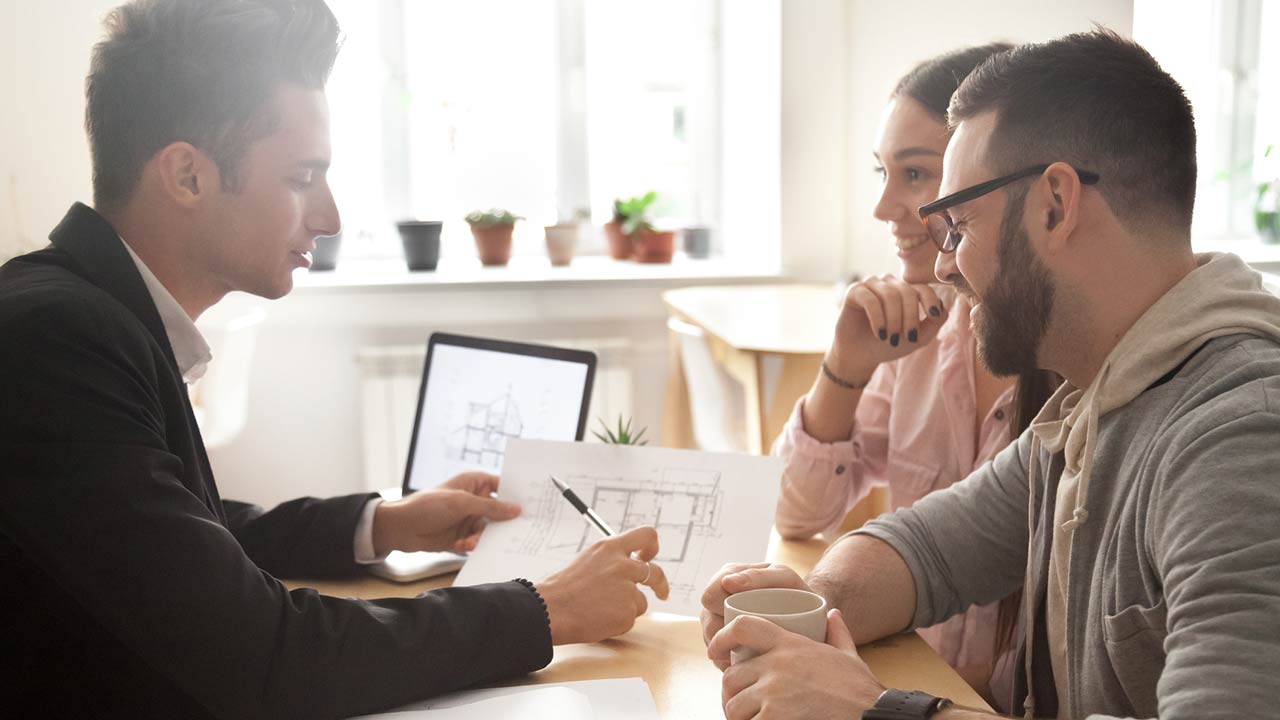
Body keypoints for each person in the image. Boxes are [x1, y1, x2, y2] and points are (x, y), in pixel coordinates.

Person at [0, 1, 668, 718]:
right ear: (187, 176)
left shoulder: (85, 313)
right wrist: (545, 608)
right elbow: (265, 653)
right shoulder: (54, 338)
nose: (330, 216)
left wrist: (385, 523)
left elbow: (184, 539)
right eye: (301, 177)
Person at [701, 29, 1280, 719]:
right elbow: (922, 551)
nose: (946, 265)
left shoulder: (1240, 435)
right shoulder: (1092, 404)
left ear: (1055, 206)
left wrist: (877, 710)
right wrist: (800, 613)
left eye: (959, 225)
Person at [771, 42, 1057, 710]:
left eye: (917, 175)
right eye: (883, 172)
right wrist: (845, 367)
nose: (884, 208)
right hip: (912, 685)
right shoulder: (919, 333)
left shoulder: (1073, 360)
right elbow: (798, 511)